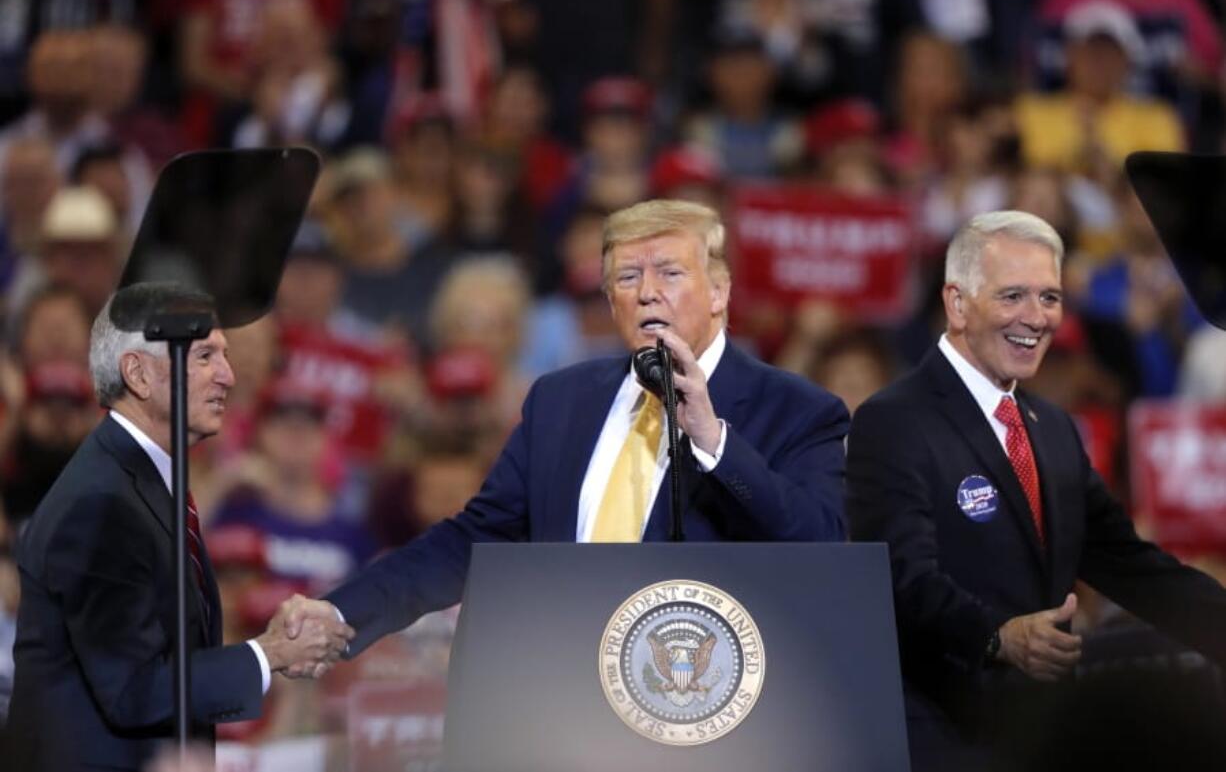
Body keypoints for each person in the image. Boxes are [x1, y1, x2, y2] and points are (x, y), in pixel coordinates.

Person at [283, 199, 850, 659]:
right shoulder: (561, 401)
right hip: (569, 705)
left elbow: (822, 549)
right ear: (610, 301)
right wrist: (341, 611)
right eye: (628, 277)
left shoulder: (797, 410)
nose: (648, 290)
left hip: (717, 712)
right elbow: (471, 542)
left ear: (720, 293)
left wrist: (715, 444)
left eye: (671, 273)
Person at [846, 211, 1226, 771]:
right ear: (957, 303)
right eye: (1013, 296)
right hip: (939, 733)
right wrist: (996, 636)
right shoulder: (895, 420)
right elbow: (900, 578)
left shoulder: (1050, 427)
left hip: (1043, 733)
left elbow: (1130, 563)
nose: (1036, 317)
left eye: (1049, 297)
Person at [2, 282, 353, 771]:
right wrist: (266, 654)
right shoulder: (101, 504)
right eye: (206, 355)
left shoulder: (139, 482)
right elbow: (132, 690)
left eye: (225, 356)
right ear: (138, 374)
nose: (229, 376)